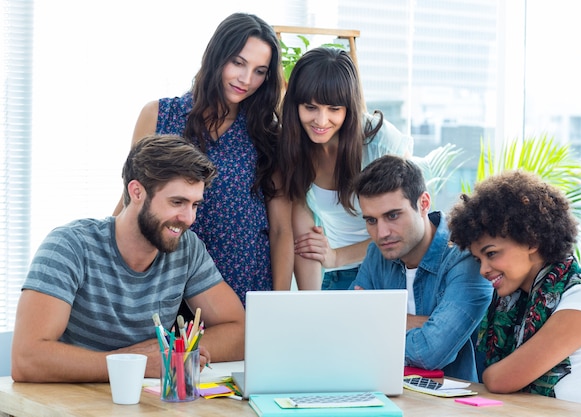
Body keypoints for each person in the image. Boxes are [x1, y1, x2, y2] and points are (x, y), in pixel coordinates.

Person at [11, 135, 245, 383]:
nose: (188, 218)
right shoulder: (69, 246)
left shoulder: (186, 249)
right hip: (70, 401)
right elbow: (26, 359)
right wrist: (134, 362)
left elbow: (240, 332)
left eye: (195, 205)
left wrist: (170, 351)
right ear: (137, 192)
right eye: (177, 202)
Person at [113, 13, 293, 305]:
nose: (247, 80)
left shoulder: (269, 135)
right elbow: (130, 200)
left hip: (244, 283)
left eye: (260, 71)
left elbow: (282, 229)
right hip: (164, 281)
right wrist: (102, 261)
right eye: (238, 62)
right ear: (216, 56)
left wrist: (279, 305)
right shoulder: (158, 116)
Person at [447, 170, 581, 410]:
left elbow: (499, 379)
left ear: (531, 240)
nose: (484, 270)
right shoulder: (515, 303)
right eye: (479, 260)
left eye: (491, 254)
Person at [278, 46, 413, 290]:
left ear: (348, 108)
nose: (321, 121)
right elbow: (307, 243)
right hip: (339, 275)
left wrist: (338, 256)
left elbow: (409, 229)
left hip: (394, 269)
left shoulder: (380, 143)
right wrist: (311, 307)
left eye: (334, 109)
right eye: (310, 107)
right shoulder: (292, 150)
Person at [349, 155, 492, 381]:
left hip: (450, 405)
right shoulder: (377, 253)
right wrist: (420, 323)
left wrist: (377, 323)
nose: (382, 233)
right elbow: (345, 330)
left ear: (424, 203)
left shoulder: (465, 257)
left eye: (392, 215)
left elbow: (431, 353)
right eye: (371, 220)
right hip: (382, 391)